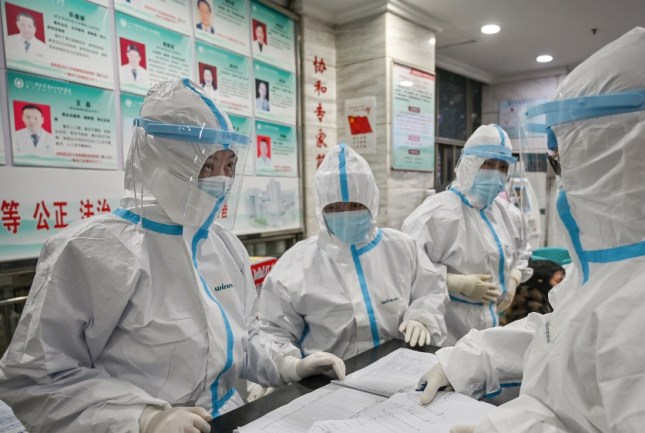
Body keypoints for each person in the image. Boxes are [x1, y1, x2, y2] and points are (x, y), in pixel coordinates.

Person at [418, 28, 645, 433]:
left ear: (621, 157)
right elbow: (569, 338)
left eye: (569, 161)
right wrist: (472, 358)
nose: (566, 183)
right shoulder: (639, 262)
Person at [0, 79, 345, 433]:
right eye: (207, 164)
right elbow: (36, 379)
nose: (221, 181)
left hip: (227, 418)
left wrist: (288, 364)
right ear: (161, 160)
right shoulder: (91, 250)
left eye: (229, 166)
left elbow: (245, 337)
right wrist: (142, 417)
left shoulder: (223, 245)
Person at [258, 143, 448, 359]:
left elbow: (431, 291)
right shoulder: (298, 262)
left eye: (355, 206)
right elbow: (273, 330)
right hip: (328, 381)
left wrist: (422, 317)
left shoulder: (402, 247)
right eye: (335, 208)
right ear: (321, 209)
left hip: (399, 368)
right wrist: (291, 365)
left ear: (371, 202)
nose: (346, 214)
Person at [402, 124, 532, 345]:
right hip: (448, 328)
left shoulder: (508, 214)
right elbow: (408, 267)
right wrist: (455, 283)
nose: (497, 173)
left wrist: (513, 279)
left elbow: (521, 251)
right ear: (471, 164)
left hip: (490, 325)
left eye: (502, 167)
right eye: (489, 164)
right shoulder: (435, 214)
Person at [499, 259, 564, 326]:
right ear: (542, 280)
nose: (562, 285)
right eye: (558, 281)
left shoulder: (532, 296)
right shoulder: (527, 301)